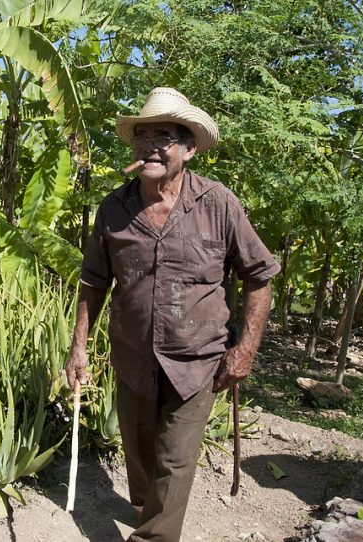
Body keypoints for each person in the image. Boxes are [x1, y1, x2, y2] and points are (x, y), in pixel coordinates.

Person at [65, 87, 280, 542]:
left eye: (164, 136)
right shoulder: (114, 209)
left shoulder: (218, 204)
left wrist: (245, 351)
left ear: (189, 147)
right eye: (142, 137)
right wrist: (78, 348)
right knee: (141, 460)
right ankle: (146, 507)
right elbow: (93, 282)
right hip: (133, 358)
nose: (151, 146)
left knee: (176, 460)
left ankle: (154, 535)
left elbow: (259, 275)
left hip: (196, 361)